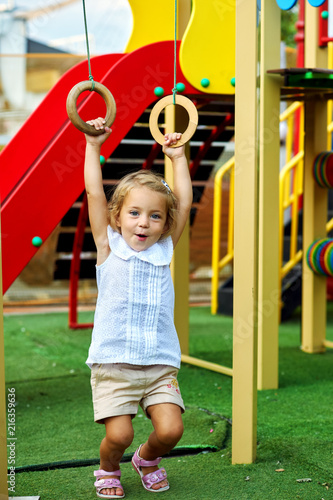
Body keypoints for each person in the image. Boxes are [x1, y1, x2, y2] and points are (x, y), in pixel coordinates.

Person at [84, 117, 193, 499]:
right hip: (114, 363)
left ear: (165, 224)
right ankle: (109, 467)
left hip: (159, 362)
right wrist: (94, 146)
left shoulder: (164, 250)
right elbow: (95, 195)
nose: (143, 223)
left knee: (170, 431)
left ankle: (146, 460)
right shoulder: (108, 247)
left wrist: (177, 157)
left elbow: (184, 199)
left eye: (155, 216)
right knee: (119, 434)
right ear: (117, 217)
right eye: (134, 213)